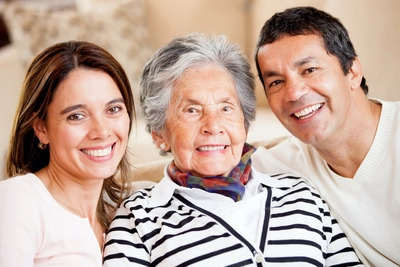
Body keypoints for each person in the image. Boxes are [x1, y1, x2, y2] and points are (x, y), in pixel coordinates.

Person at [102, 33, 363, 266]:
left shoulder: (302, 195)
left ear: (245, 122)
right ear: (159, 133)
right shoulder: (138, 218)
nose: (213, 126)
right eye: (192, 110)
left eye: (226, 108)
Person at [253, 6, 400, 267]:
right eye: (276, 82)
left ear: (353, 72)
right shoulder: (282, 165)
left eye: (309, 70)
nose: (294, 93)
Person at [0, 40, 135, 266]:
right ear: (41, 128)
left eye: (113, 109)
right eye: (77, 115)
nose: (101, 131)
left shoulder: (128, 209)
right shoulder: (17, 201)